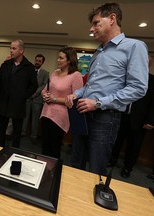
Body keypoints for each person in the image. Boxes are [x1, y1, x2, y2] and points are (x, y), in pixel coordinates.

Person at [65, 2, 149, 175]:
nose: (91, 29)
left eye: (96, 23)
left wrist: (97, 103)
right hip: (83, 113)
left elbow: (138, 87)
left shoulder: (134, 46)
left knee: (96, 170)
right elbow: (90, 85)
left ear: (112, 18)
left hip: (105, 118)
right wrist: (76, 94)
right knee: (75, 164)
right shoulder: (98, 52)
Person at [109, 55, 154, 178]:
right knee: (117, 141)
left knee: (134, 146)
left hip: (140, 120)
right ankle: (112, 160)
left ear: (149, 64)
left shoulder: (152, 80)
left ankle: (127, 168)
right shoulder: (127, 77)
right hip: (122, 115)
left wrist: (150, 120)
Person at [0, 39, 38, 148]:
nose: (11, 51)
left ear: (21, 50)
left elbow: (34, 86)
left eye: (14, 48)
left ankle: (14, 153)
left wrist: (23, 95)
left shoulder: (29, 67)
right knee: (1, 131)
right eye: (10, 48)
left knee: (17, 133)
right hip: (4, 103)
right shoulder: (6, 65)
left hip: (18, 105)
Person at [40, 47, 83, 158]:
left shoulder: (76, 75)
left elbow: (75, 100)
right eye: (58, 57)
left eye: (61, 58)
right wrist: (45, 95)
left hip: (60, 117)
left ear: (69, 60)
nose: (58, 60)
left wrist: (54, 99)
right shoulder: (55, 72)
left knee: (54, 148)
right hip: (46, 113)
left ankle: (53, 172)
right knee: (44, 146)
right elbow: (45, 90)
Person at [22, 54, 49, 144]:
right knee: (25, 117)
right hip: (28, 98)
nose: (37, 62)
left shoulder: (45, 73)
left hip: (37, 99)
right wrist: (29, 93)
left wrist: (35, 93)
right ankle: (22, 133)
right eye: (36, 60)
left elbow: (44, 85)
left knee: (35, 119)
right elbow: (26, 82)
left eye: (39, 61)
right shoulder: (29, 70)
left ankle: (34, 136)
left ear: (42, 62)